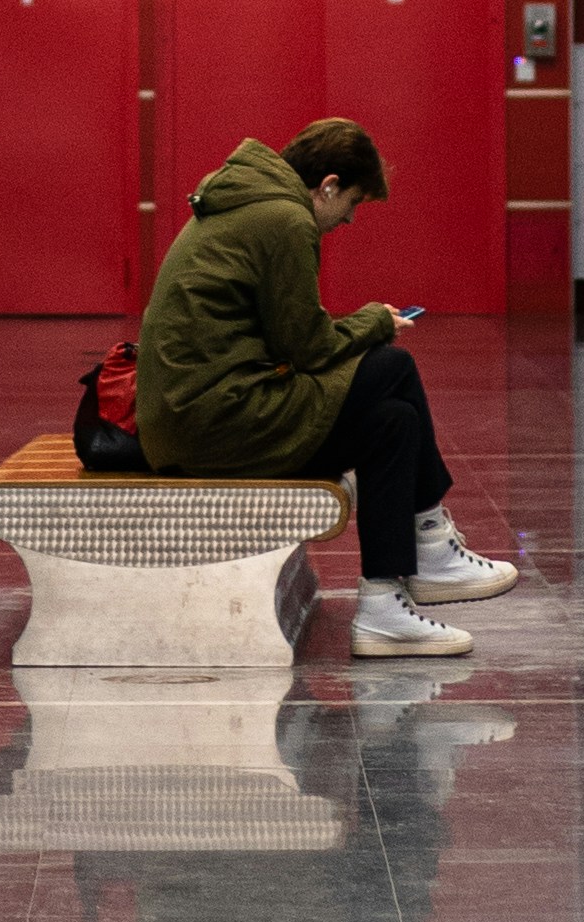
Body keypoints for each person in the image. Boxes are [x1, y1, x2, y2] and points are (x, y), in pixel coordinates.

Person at [133, 115, 520, 659]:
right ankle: (429, 542)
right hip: (213, 423)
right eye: (353, 203)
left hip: (198, 415)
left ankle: (385, 607)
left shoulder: (250, 201)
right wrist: (374, 321)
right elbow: (307, 348)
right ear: (329, 185)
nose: (350, 220)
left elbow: (286, 339)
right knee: (392, 368)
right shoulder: (284, 218)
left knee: (393, 423)